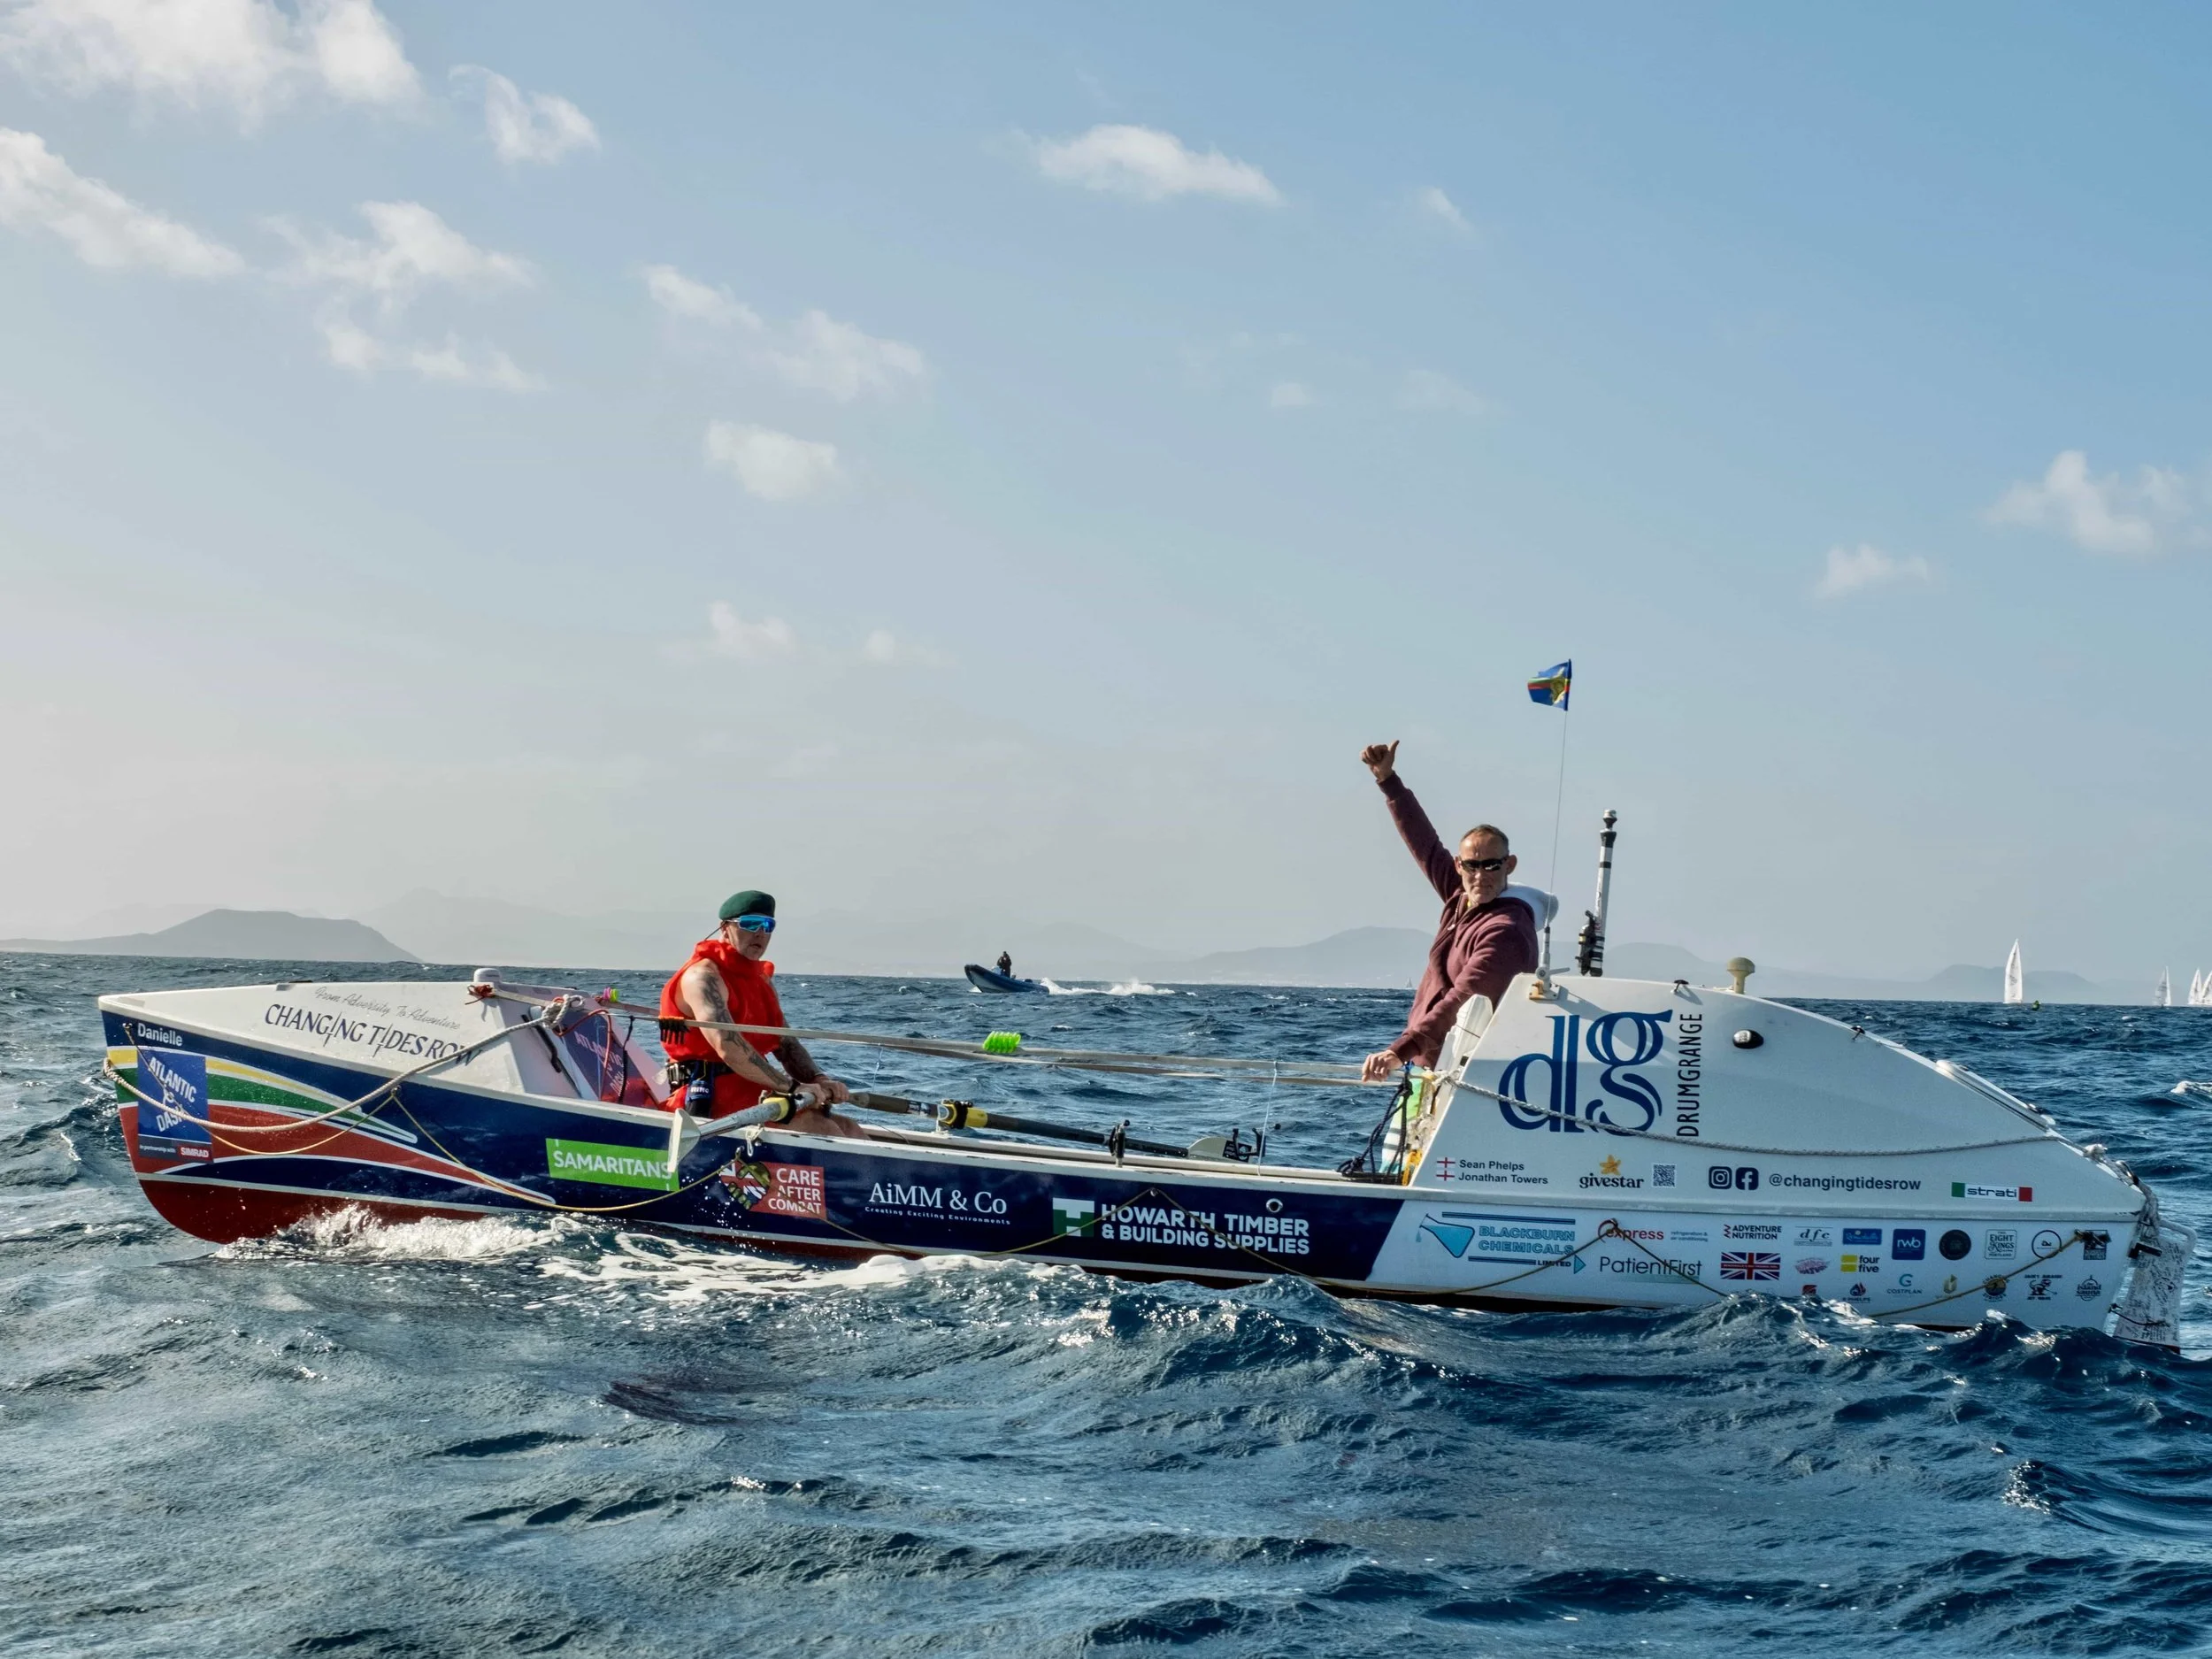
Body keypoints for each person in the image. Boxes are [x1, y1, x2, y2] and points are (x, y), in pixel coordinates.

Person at [1358, 741, 1540, 1081]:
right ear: (1459, 865)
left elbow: (1461, 999)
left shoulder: (1506, 930)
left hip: (1473, 1078)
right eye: (1472, 866)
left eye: (1491, 866)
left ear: (1509, 865)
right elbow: (1424, 843)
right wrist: (1388, 779)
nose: (1480, 876)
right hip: (1430, 1066)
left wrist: (1399, 1051)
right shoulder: (1461, 897)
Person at [659, 890, 864, 1137]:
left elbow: (786, 1044)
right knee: (822, 1129)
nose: (760, 933)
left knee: (849, 1128)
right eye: (750, 924)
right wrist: (792, 1086)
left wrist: (819, 1079)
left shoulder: (762, 981)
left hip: (756, 1088)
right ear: (725, 928)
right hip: (707, 1093)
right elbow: (728, 1046)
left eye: (768, 926)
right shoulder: (702, 978)